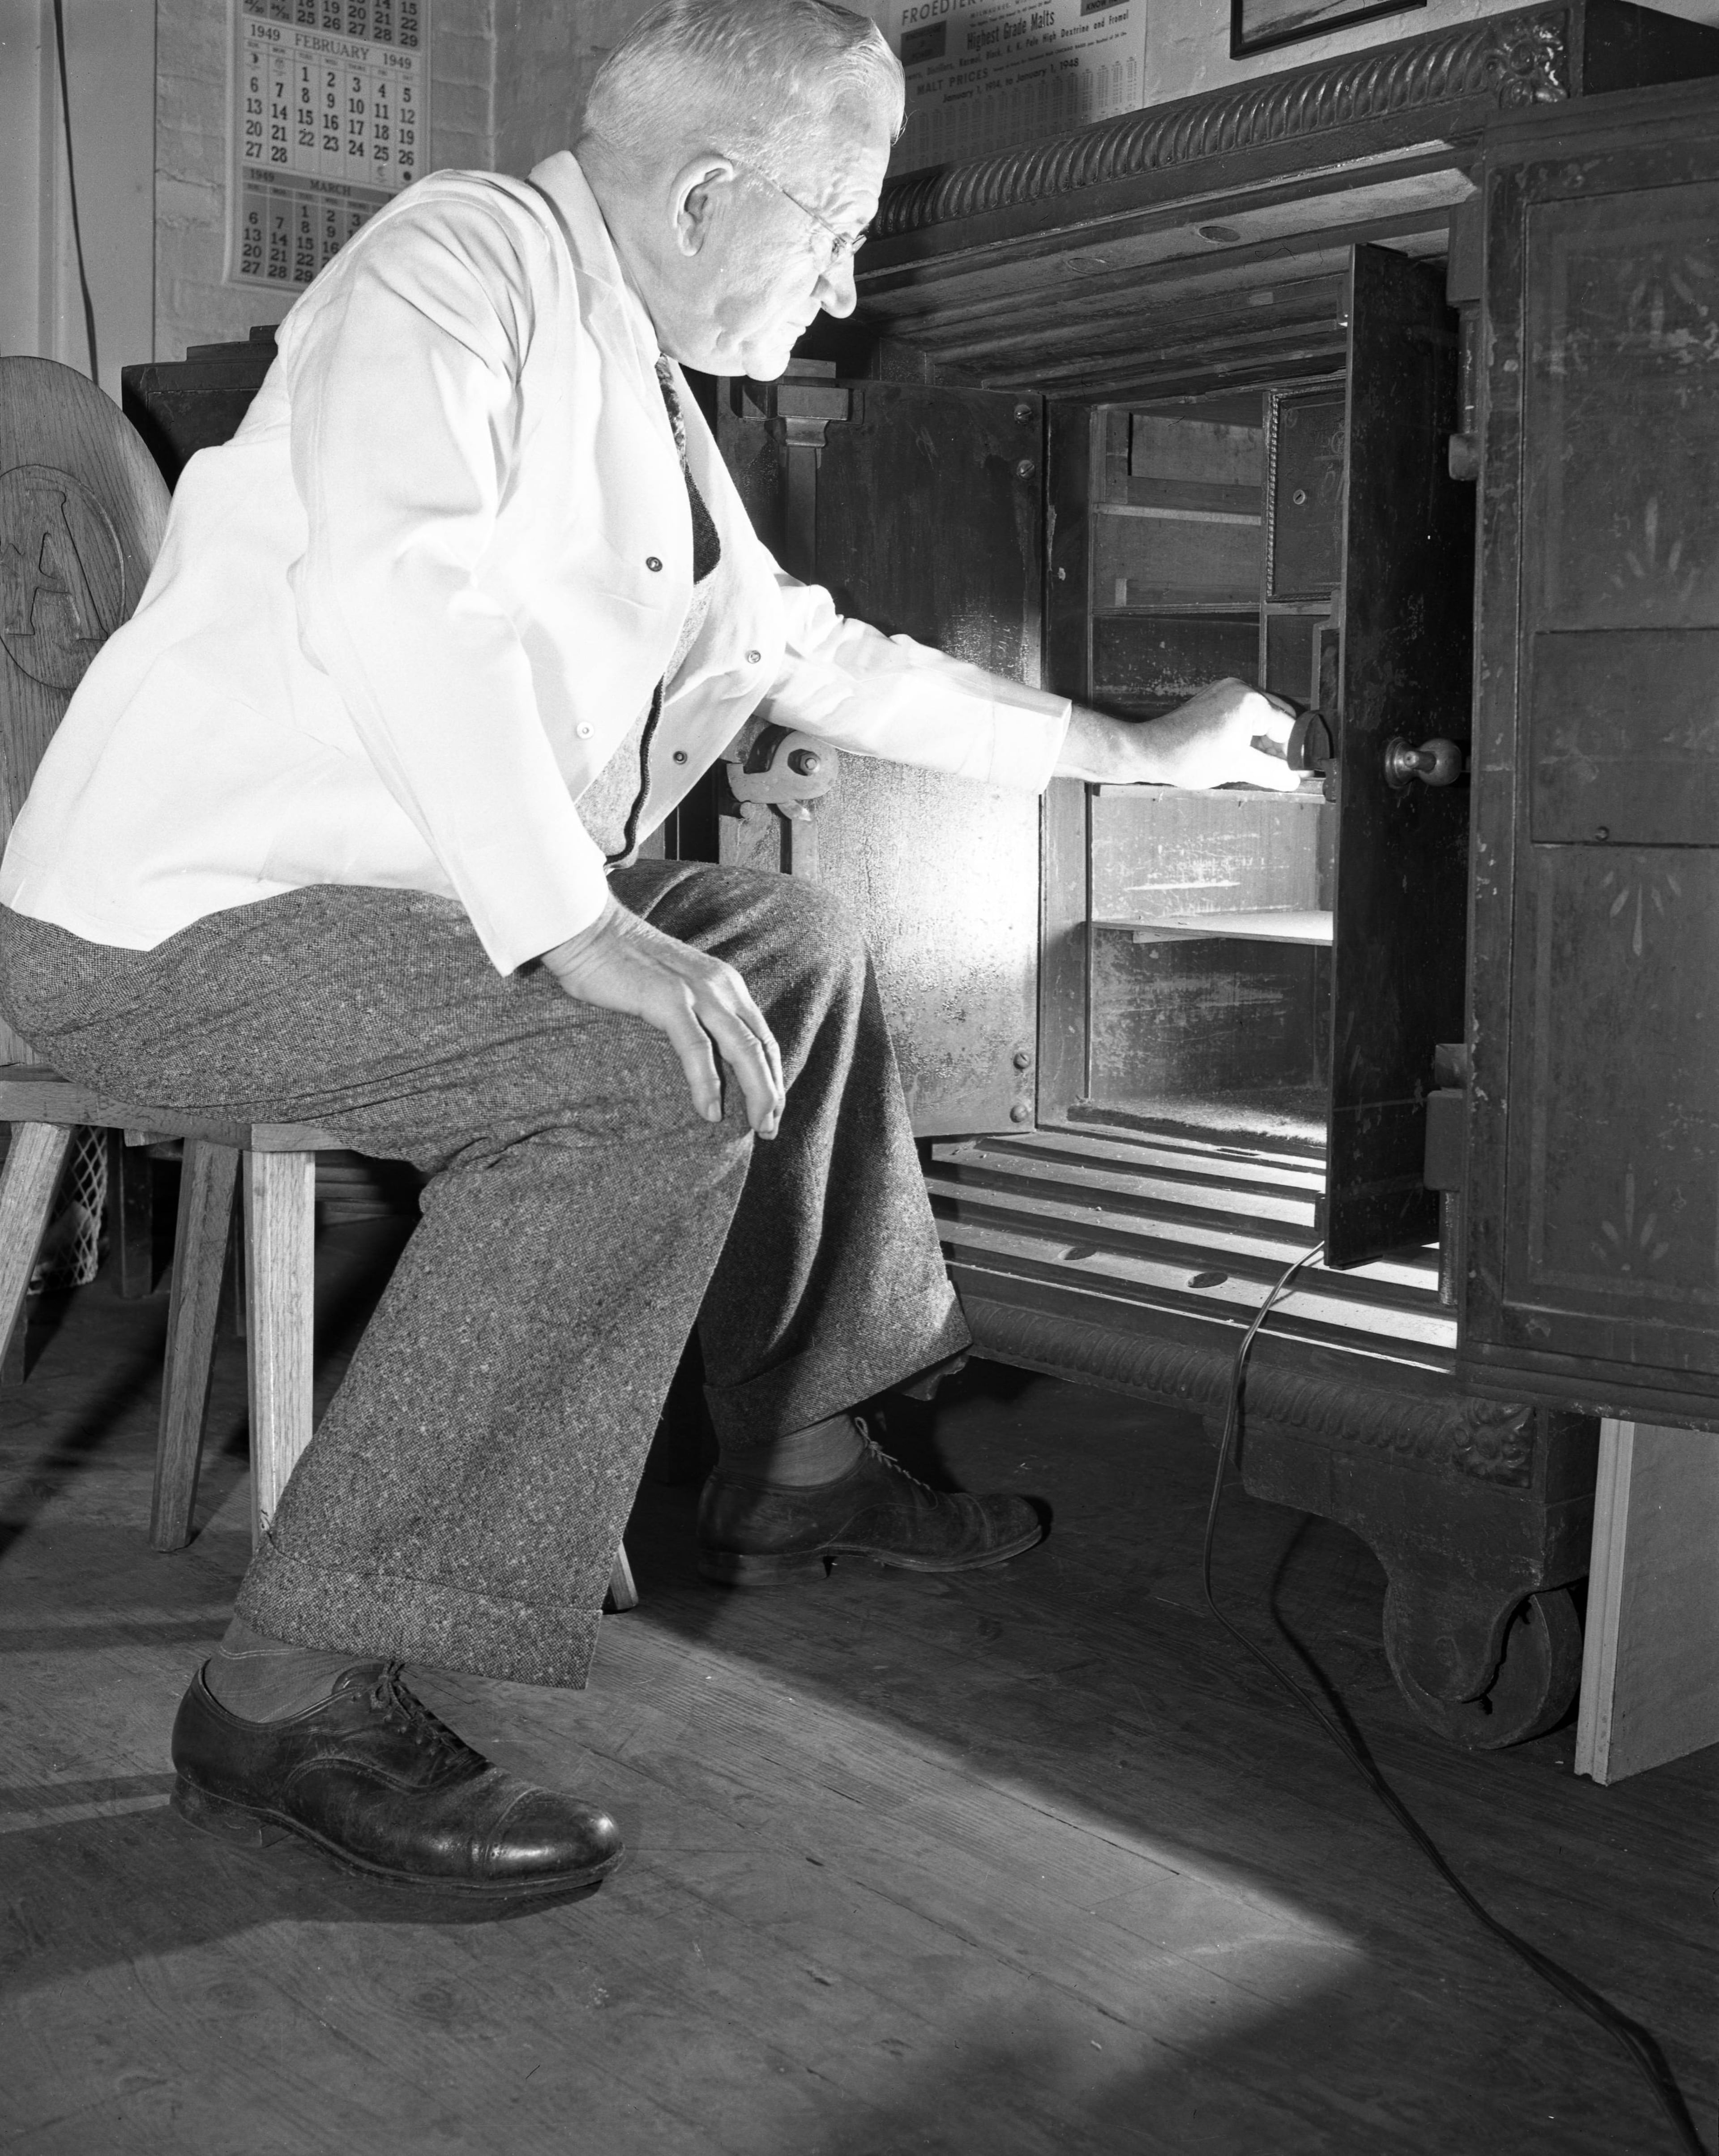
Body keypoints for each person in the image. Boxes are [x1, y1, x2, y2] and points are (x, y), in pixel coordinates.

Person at [0, 0, 1296, 1900]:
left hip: (392, 911)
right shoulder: (457, 261)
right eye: (841, 227)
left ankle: (804, 1461)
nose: (849, 288)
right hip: (170, 922)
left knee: (785, 939)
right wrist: (580, 926)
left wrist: (1129, 746)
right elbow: (396, 581)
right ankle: (290, 1690)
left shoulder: (664, 404)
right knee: (633, 1072)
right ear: (706, 190)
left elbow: (820, 660)